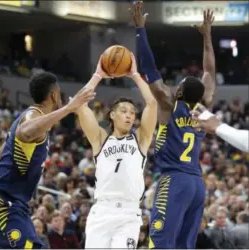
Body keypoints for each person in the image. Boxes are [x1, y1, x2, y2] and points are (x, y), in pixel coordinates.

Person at [130, 1, 216, 248]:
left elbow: (148, 69)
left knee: (159, 241)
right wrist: (207, 36)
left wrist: (140, 30)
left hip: (174, 180)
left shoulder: (169, 105)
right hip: (197, 184)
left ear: (178, 91)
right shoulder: (203, 108)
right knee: (183, 245)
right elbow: (209, 71)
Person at [0, 72, 96, 249]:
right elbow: (26, 132)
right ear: (54, 95)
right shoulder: (31, 118)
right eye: (60, 93)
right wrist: (68, 108)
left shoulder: (28, 117)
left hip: (13, 201)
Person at [76, 53, 157, 249]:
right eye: (124, 111)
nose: (129, 115)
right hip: (102, 210)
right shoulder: (101, 139)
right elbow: (79, 104)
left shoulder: (140, 139)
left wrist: (135, 75)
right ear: (112, 115)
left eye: (132, 112)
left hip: (129, 214)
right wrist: (97, 75)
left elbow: (153, 103)